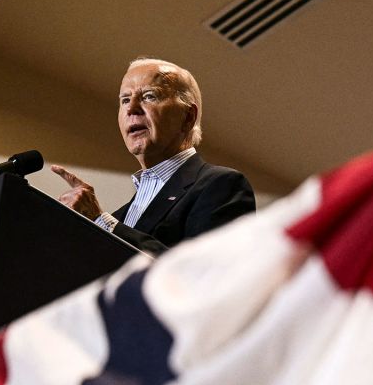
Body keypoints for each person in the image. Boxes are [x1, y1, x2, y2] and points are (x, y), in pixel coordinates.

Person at [52, 57, 256, 255]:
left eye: (149, 96)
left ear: (188, 116)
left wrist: (103, 222)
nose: (131, 108)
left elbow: (204, 275)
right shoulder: (117, 218)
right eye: (125, 100)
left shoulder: (221, 185)